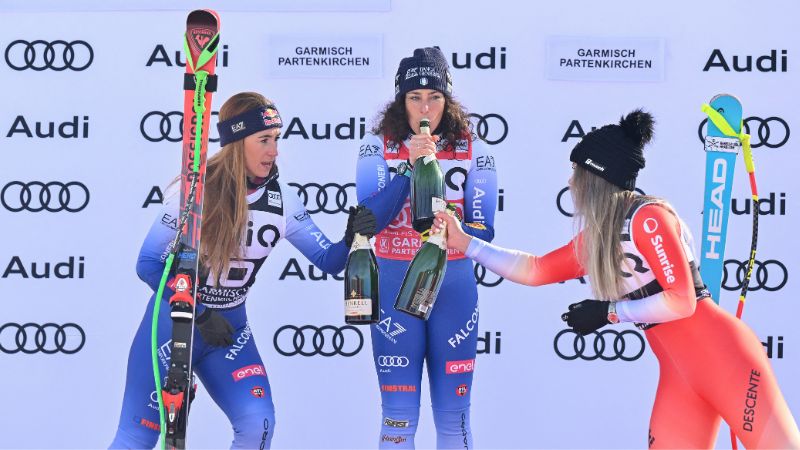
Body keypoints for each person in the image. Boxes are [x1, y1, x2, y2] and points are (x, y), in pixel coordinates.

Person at [433, 110, 800, 449]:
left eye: (576, 170)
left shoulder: (649, 217)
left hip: (725, 358)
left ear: (595, 178)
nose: (569, 180)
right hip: (680, 374)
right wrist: (467, 244)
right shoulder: (601, 236)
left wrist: (610, 312)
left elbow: (682, 300)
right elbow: (536, 270)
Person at [110, 92, 376, 449]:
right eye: (264, 140)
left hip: (230, 333)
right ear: (237, 143)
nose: (274, 150)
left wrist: (351, 236)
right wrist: (197, 311)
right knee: (136, 438)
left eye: (277, 139)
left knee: (258, 424)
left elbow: (329, 261)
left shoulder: (283, 201)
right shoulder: (194, 193)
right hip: (173, 327)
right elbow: (147, 264)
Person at [356, 47, 498, 449]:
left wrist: (452, 223)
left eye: (434, 97)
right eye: (415, 97)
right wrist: (408, 168)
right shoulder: (377, 147)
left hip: (452, 287)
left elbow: (484, 230)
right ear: (401, 101)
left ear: (447, 100)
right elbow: (369, 220)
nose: (425, 106)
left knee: (454, 419)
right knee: (398, 419)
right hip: (394, 289)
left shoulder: (474, 149)